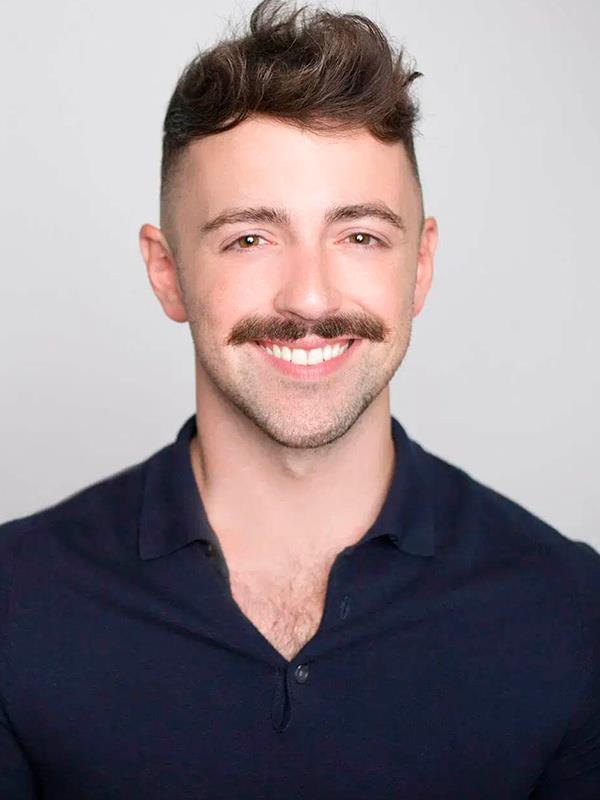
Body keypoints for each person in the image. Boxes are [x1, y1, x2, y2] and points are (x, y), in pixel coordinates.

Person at [1, 0, 599, 796]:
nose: (310, 297)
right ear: (167, 272)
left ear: (419, 267)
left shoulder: (571, 612)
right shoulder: (15, 601)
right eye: (250, 237)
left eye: (360, 236)